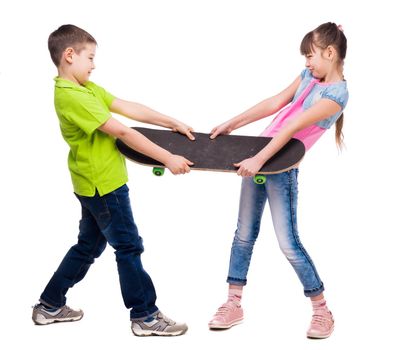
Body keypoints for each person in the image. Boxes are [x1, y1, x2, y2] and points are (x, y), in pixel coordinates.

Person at [32, 24, 194, 337]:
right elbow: (121, 130)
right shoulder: (72, 96)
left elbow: (128, 107)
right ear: (69, 55)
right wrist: (167, 158)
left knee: (88, 246)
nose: (94, 64)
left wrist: (170, 121)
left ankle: (49, 305)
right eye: (90, 57)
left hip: (92, 183)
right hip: (104, 186)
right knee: (128, 246)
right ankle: (145, 315)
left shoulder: (86, 89)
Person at [208, 22, 348, 339]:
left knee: (288, 243)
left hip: (280, 168)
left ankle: (322, 310)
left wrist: (259, 161)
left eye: (310, 56)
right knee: (243, 235)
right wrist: (234, 122)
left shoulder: (338, 94)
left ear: (330, 52)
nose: (306, 63)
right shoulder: (307, 77)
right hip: (256, 158)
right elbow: (275, 103)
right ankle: (233, 304)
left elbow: (292, 127)